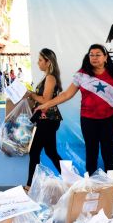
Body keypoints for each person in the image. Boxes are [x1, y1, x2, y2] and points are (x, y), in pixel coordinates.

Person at [36, 44, 113, 174]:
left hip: (109, 120)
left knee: (108, 153)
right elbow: (66, 95)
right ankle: (90, 187)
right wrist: (46, 104)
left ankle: (112, 187)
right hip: (88, 120)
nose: (94, 57)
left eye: (98, 55)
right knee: (91, 153)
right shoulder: (81, 75)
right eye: (91, 55)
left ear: (105, 57)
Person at [25, 48, 65, 186]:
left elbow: (45, 100)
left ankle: (30, 185)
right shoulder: (48, 77)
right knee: (51, 152)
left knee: (35, 152)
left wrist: (31, 94)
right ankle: (71, 178)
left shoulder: (50, 78)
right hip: (47, 120)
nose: (38, 63)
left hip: (47, 120)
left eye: (41, 60)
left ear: (48, 62)